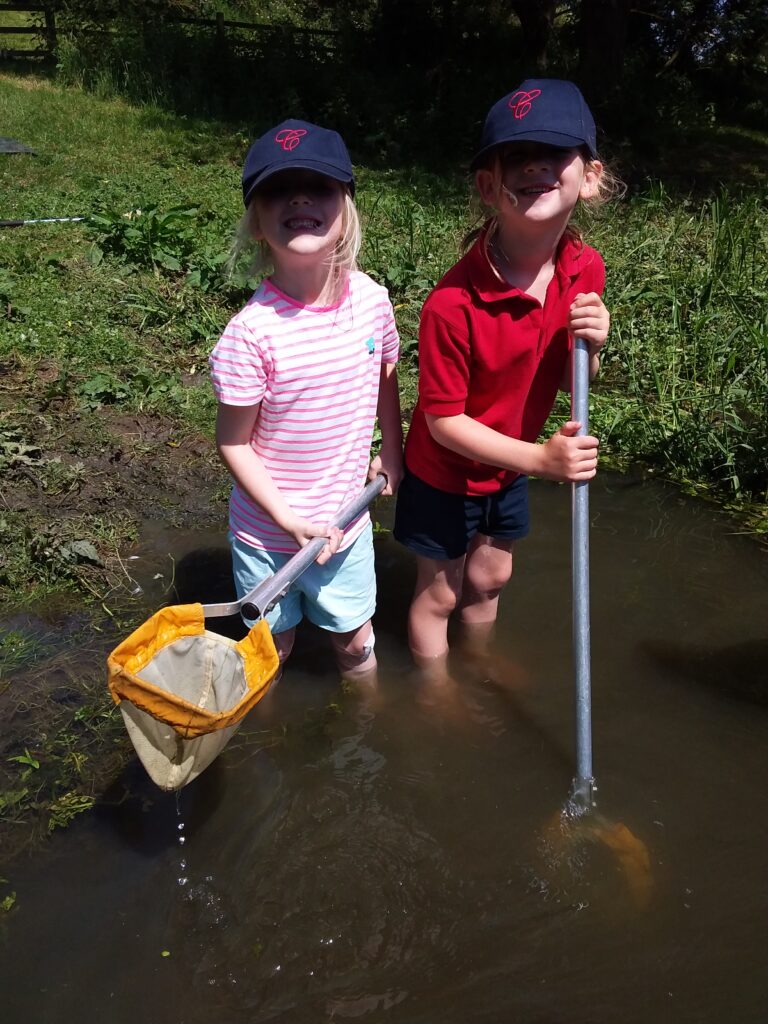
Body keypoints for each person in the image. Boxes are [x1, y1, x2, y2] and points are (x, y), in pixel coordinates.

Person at [394, 79, 620, 679]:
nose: (536, 166)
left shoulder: (585, 267)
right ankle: (437, 695)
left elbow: (579, 379)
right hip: (445, 470)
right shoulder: (452, 303)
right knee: (439, 592)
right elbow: (443, 423)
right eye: (516, 157)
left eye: (555, 153)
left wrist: (592, 347)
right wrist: (541, 462)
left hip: (513, 461)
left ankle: (482, 662)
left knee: (491, 576)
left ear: (590, 177)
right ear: (489, 186)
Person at [209, 119, 403, 681]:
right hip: (267, 533)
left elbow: (386, 372)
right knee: (277, 648)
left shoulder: (371, 301)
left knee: (354, 641)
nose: (299, 199)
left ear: (345, 208)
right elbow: (233, 442)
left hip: (346, 522)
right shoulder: (251, 334)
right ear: (257, 224)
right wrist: (289, 519)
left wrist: (392, 449)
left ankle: (375, 723)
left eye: (317, 187)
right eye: (278, 190)